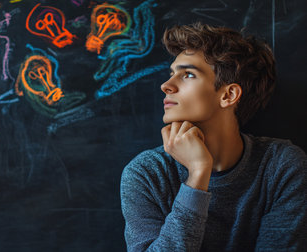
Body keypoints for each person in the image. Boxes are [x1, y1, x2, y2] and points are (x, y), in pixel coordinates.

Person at [120, 23, 307, 251]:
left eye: (187, 74)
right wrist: (198, 175)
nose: (166, 85)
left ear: (228, 95)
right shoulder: (147, 173)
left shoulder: (282, 167)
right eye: (172, 74)